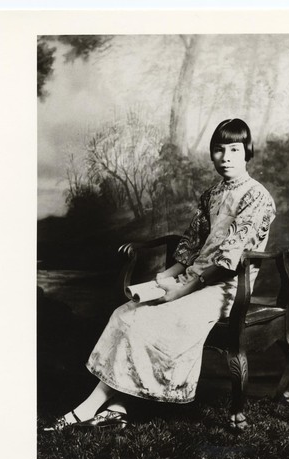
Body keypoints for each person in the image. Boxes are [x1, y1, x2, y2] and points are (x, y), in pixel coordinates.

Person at [44, 118, 276, 432]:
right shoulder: (212, 194)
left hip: (224, 287)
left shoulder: (256, 197)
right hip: (192, 278)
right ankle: (117, 407)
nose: (226, 157)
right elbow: (192, 243)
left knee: (152, 322)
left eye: (234, 149)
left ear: (247, 151)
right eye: (219, 150)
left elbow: (228, 260)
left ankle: (89, 406)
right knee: (125, 314)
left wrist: (182, 290)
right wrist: (165, 276)